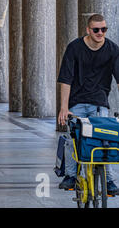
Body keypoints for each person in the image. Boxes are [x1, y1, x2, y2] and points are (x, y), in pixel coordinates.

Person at [57, 14, 119, 195]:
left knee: (105, 139)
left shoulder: (113, 50)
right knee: (72, 139)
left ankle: (108, 180)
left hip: (99, 101)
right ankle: (70, 176)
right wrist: (64, 107)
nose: (100, 33)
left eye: (104, 29)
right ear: (88, 30)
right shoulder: (74, 48)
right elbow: (65, 79)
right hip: (76, 102)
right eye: (96, 30)